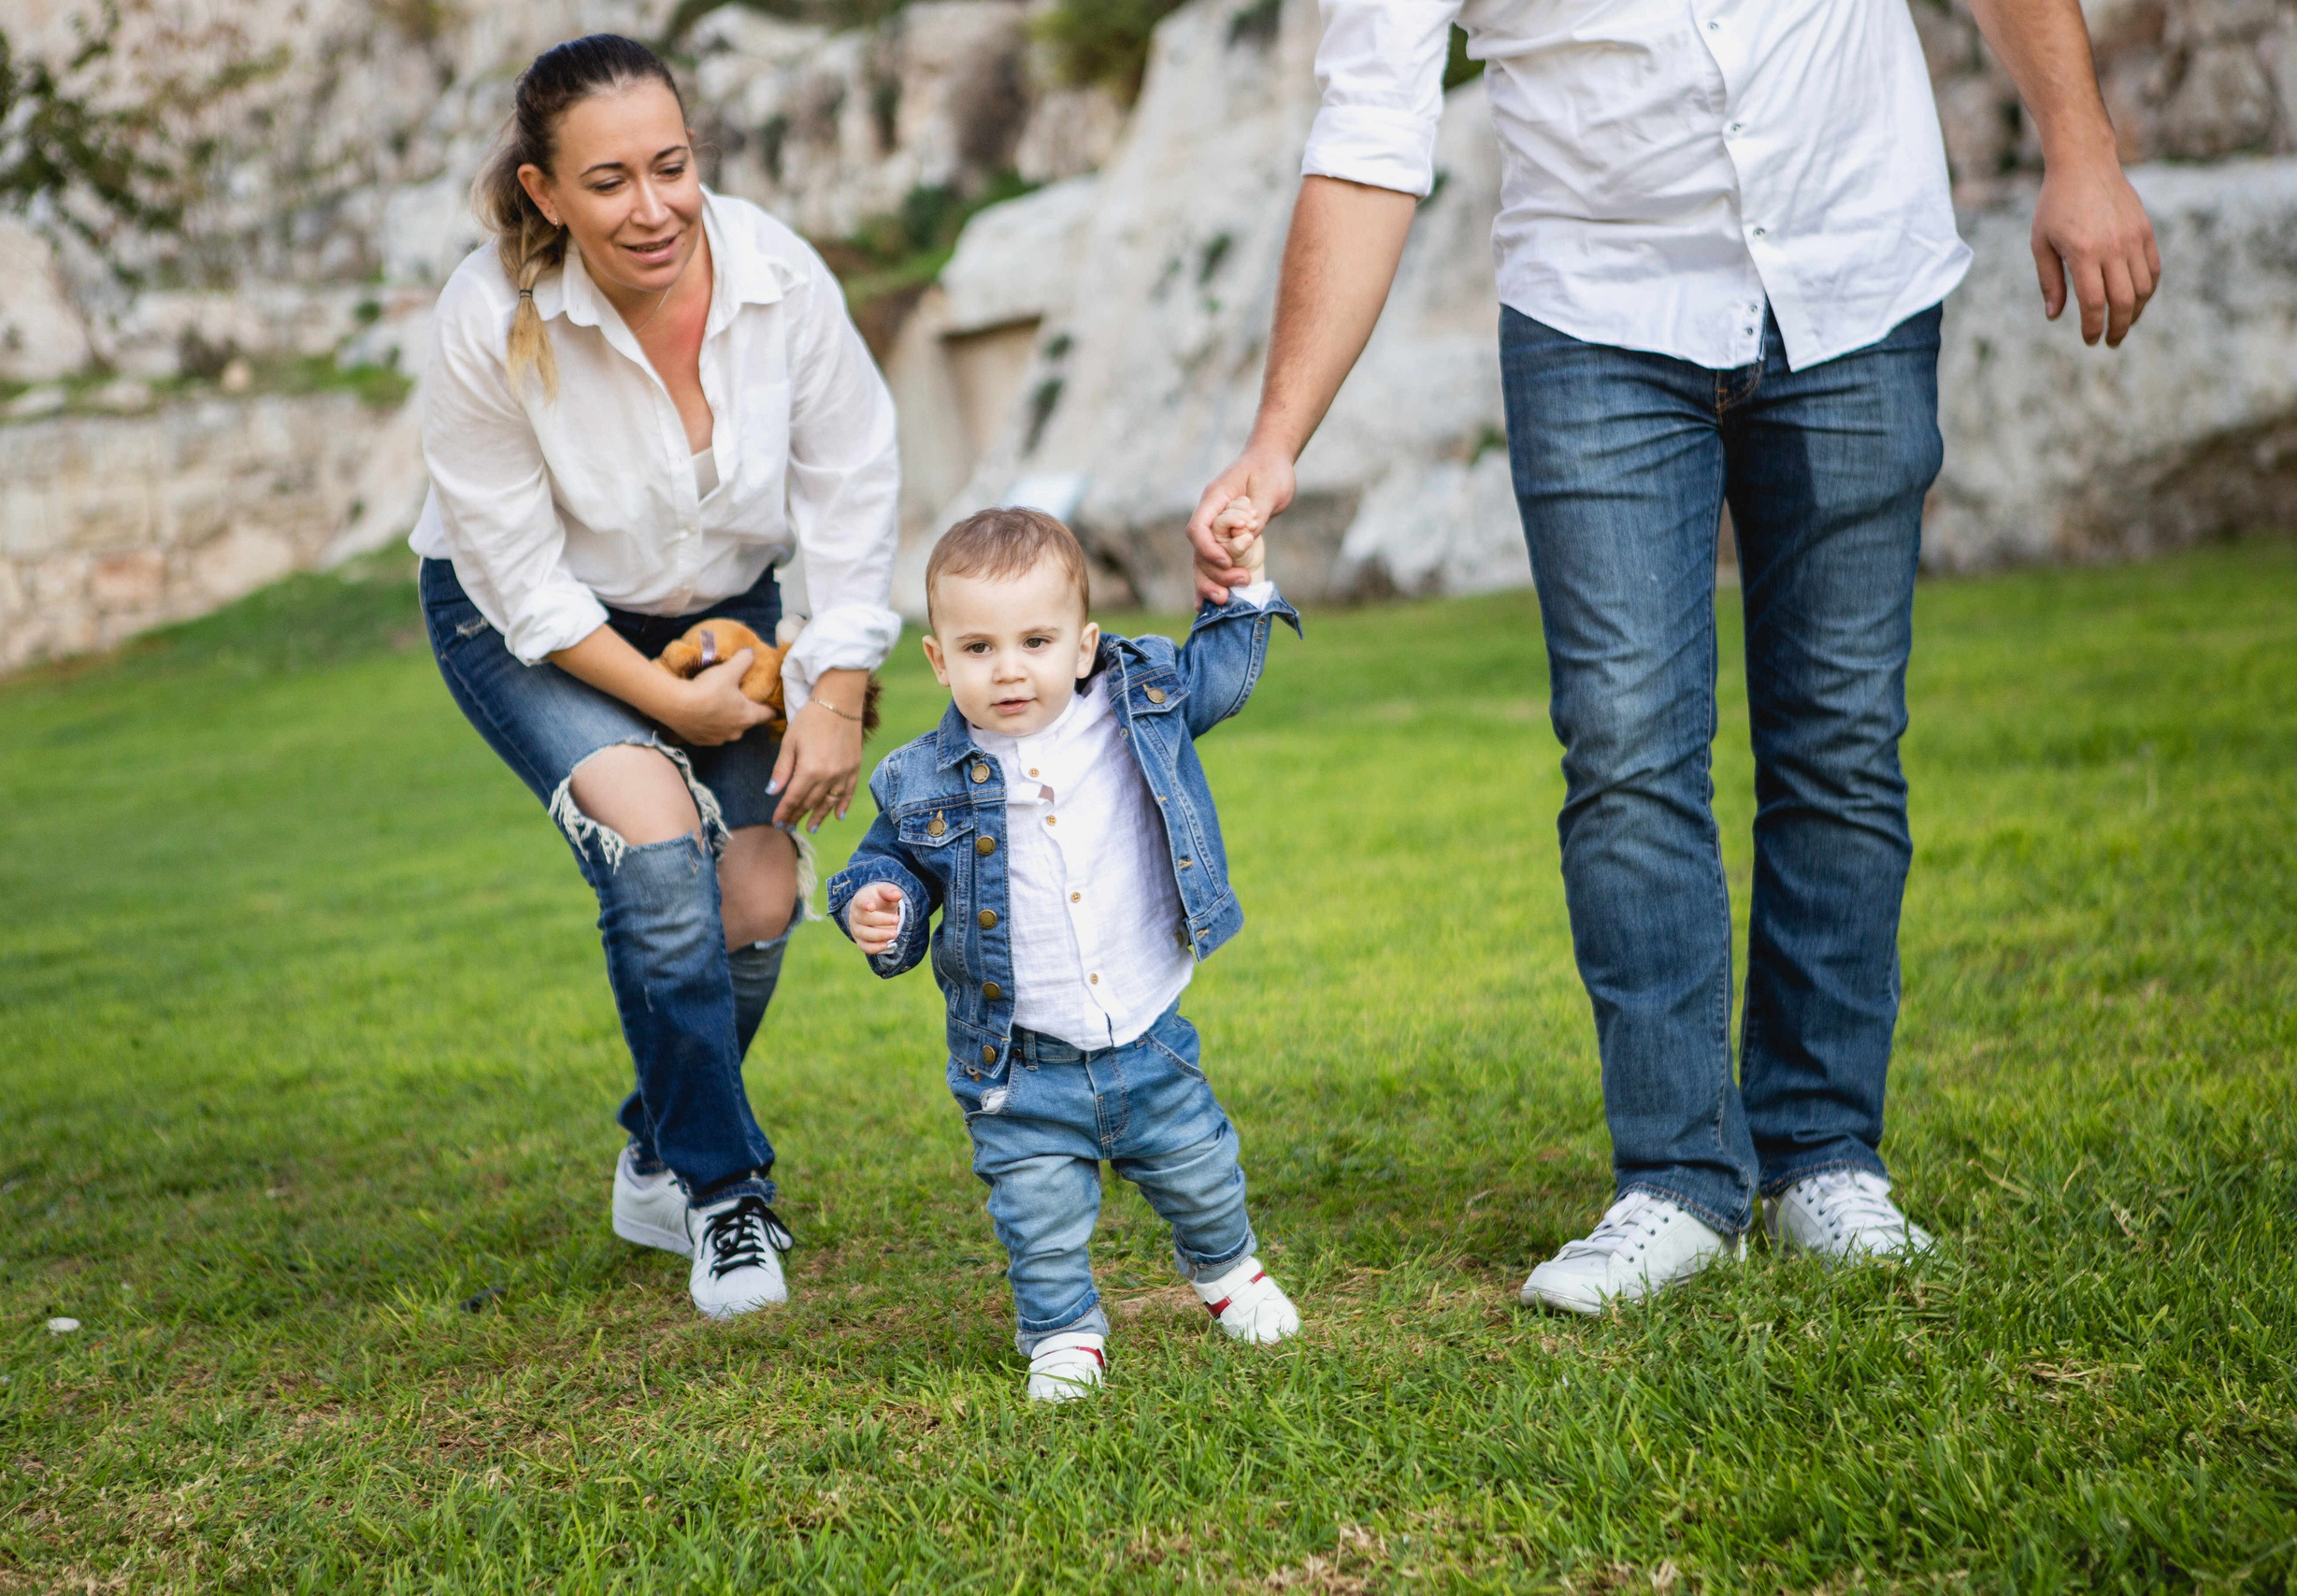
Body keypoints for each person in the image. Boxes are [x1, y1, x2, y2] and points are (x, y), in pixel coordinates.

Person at [1187, 0, 2160, 1314]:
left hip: (1855, 271)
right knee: (1627, 751)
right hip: (1596, 321)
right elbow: (1368, 139)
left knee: (1840, 740)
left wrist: (2082, 149)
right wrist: (1276, 436)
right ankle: (1679, 1179)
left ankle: (1824, 1156)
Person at [411, 34, 900, 1320]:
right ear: (544, 192)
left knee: (758, 892)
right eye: (610, 181)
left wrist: (835, 689)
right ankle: (724, 1193)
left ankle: (654, 1148)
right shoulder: (487, 318)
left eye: (671, 167)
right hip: (524, 620)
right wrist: (674, 704)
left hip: (722, 603)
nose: (653, 208)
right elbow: (523, 583)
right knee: (659, 855)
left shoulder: (778, 277)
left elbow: (853, 486)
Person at [828, 505, 1301, 1401]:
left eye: (1036, 641)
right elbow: (887, 863)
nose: (1009, 668)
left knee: (1201, 1168)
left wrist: (1241, 587)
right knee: (1037, 1214)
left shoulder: (1131, 709)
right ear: (938, 659)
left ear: (1083, 647)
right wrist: (876, 903)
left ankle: (1227, 1269)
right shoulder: (920, 779)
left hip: (1145, 1032)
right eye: (978, 648)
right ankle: (1063, 1328)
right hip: (1022, 1065)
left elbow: (1217, 678)